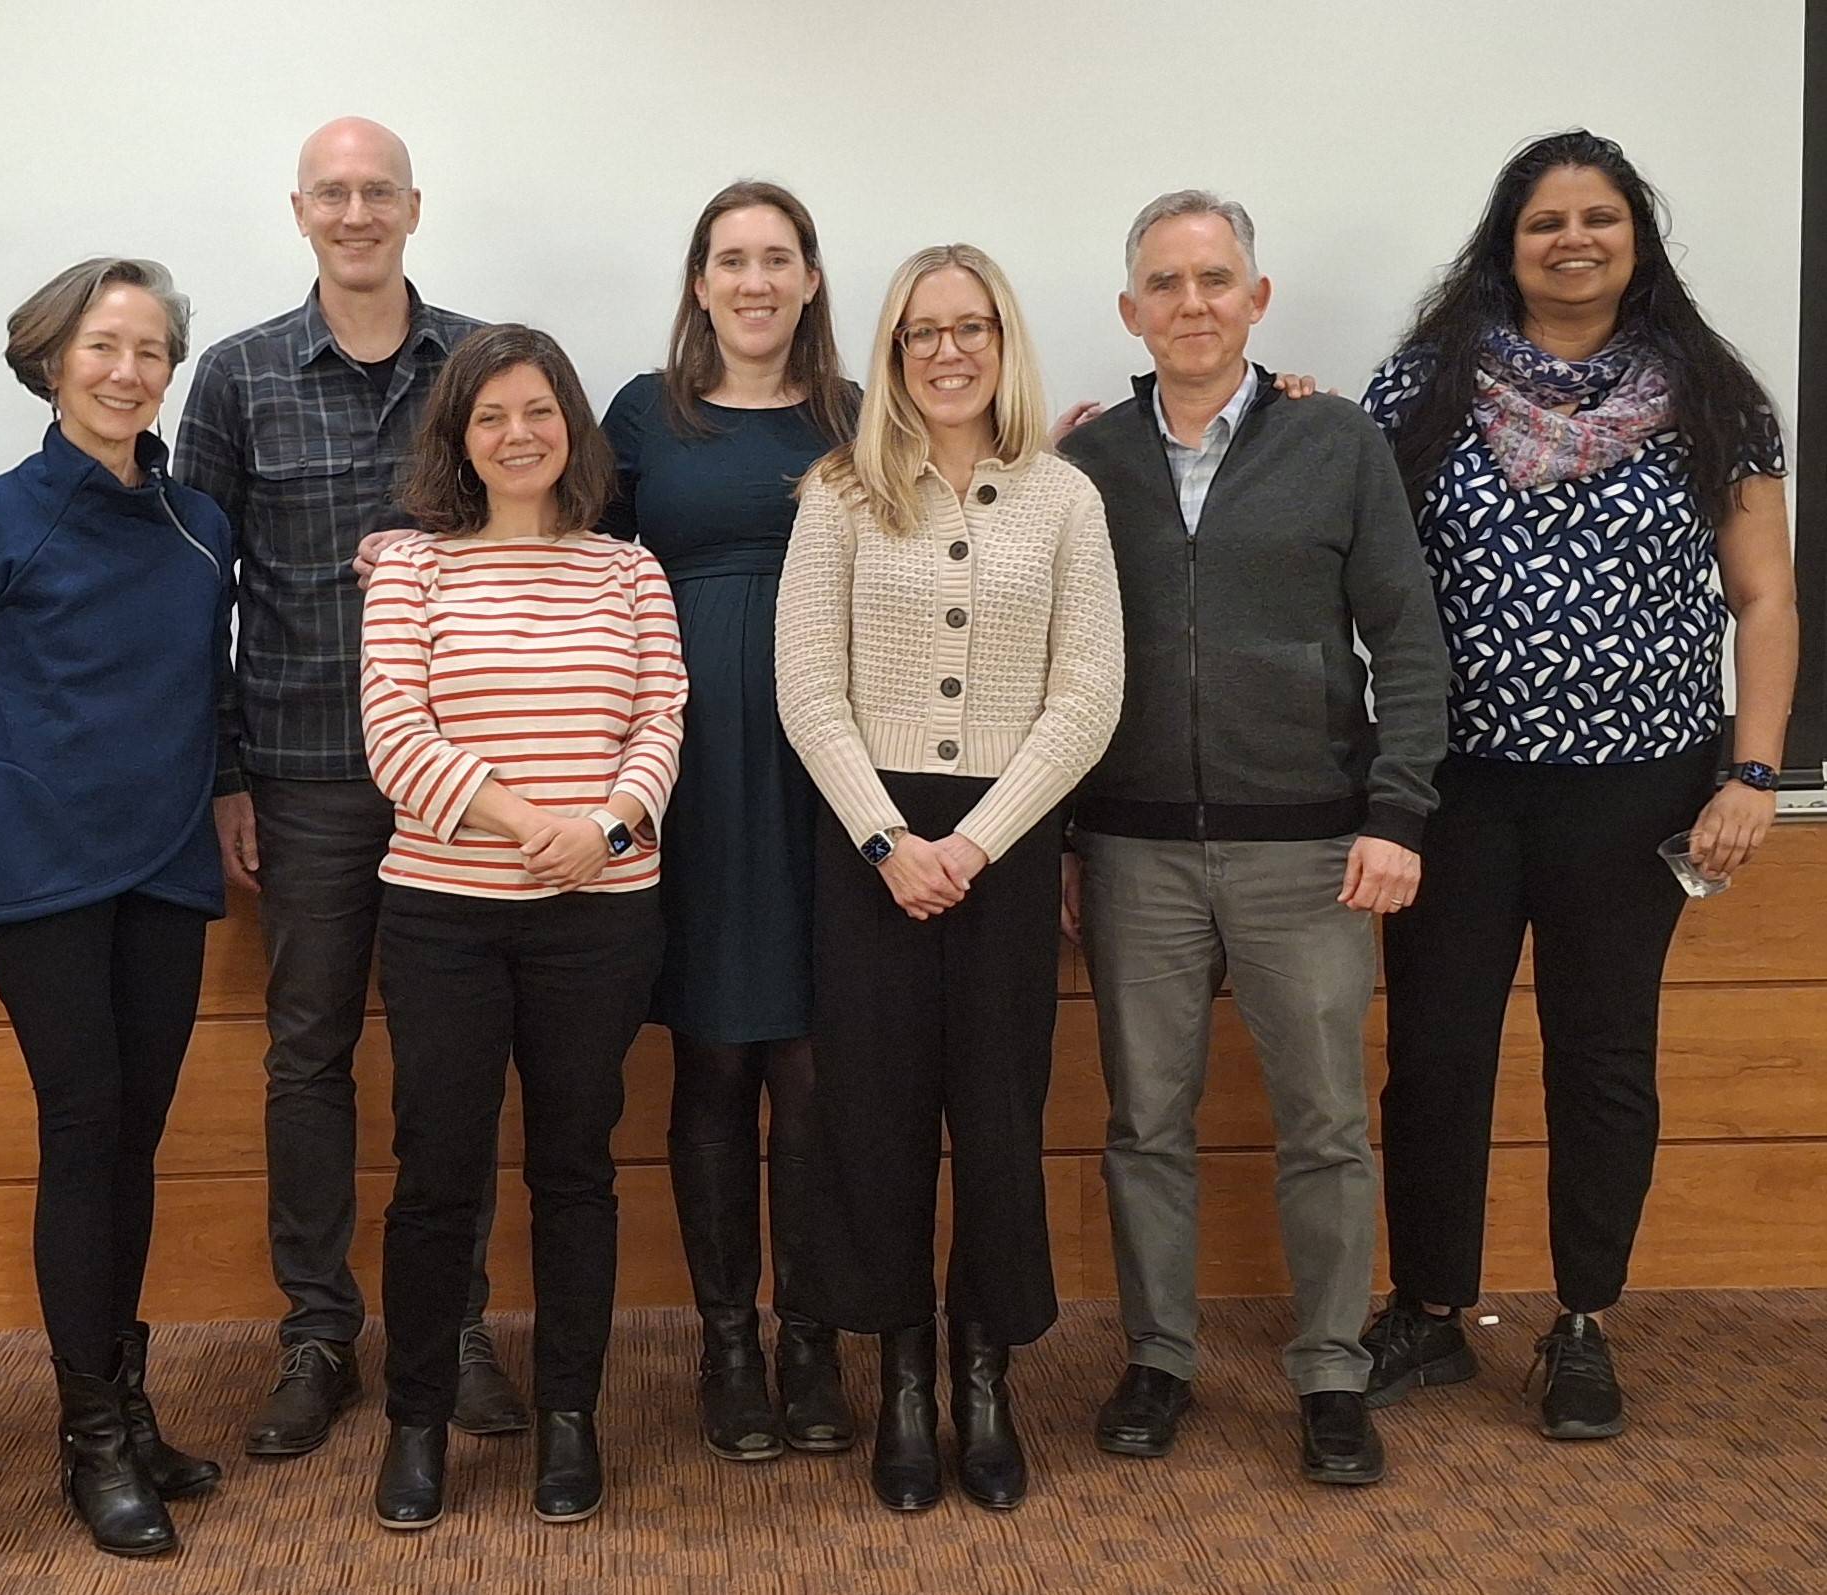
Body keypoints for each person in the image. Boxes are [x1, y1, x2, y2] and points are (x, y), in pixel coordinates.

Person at [1359, 131, 1798, 1441]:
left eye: (1596, 218)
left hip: (1638, 793)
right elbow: (1342, 545)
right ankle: (1430, 1306)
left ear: (1635, 236)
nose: (1571, 240)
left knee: (1602, 1059)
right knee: (1435, 1055)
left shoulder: (1715, 394)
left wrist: (1755, 769)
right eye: (1544, 220)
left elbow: (1765, 595)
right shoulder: (1420, 387)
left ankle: (1583, 1320)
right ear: (1506, 241)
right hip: (1454, 785)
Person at [1053, 190, 1446, 1489]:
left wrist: (1396, 809)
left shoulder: (1335, 440)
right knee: (1144, 1119)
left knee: (1326, 1121)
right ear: (1130, 312)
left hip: (1309, 852)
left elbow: (1406, 636)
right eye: (1163, 284)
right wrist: (1060, 840)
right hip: (1131, 851)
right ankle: (1158, 1355)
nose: (1192, 305)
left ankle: (1331, 1369)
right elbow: (1048, 658)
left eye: (1215, 279)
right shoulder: (1088, 461)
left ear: (1257, 299)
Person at [172, 116, 521, 1455]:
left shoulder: (485, 366)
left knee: (455, 1058)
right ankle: (318, 1331)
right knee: (308, 1051)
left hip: (467, 775)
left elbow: (545, 541)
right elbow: (194, 591)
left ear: (415, 208)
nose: (357, 210)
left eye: (379, 190)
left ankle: (458, 1323)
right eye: (335, 191)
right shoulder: (238, 376)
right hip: (307, 769)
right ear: (301, 210)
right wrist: (221, 773)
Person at [776, 245, 1123, 1515]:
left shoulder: (1062, 498)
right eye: (920, 332)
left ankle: (984, 1381)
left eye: (969, 327)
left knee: (993, 1115)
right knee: (869, 1123)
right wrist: (887, 842)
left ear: (1002, 339)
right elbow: (806, 687)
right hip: (869, 844)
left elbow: (1086, 695)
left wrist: (977, 841)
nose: (946, 351)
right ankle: (904, 1384)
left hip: (1005, 845)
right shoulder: (839, 493)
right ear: (891, 351)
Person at [0, 257, 234, 1558]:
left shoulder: (200, 521)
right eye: (105, 344)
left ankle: (129, 1402)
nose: (127, 370)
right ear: (53, 358)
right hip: (38, 871)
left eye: (152, 350)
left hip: (161, 860)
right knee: (84, 1119)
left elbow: (200, 695)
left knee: (134, 1134)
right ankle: (89, 1438)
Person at [360, 325, 687, 1530]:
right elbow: (394, 735)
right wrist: (527, 822)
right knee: (437, 1174)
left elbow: (662, 721)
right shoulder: (407, 566)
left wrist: (600, 830)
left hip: (598, 918)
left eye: (537, 411)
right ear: (457, 436)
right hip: (445, 912)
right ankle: (415, 1422)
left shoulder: (629, 571)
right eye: (489, 414)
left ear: (571, 429)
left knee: (574, 1169)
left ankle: (568, 1418)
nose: (516, 434)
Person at [596, 180, 859, 1462]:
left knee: (810, 1067)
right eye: (729, 260)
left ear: (810, 279)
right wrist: (427, 554)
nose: (754, 281)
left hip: (832, 768)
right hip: (684, 766)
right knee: (708, 1056)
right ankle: (726, 1342)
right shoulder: (644, 415)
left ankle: (808, 1334)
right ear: (698, 283)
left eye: (777, 258)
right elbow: (554, 548)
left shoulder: (863, 417)